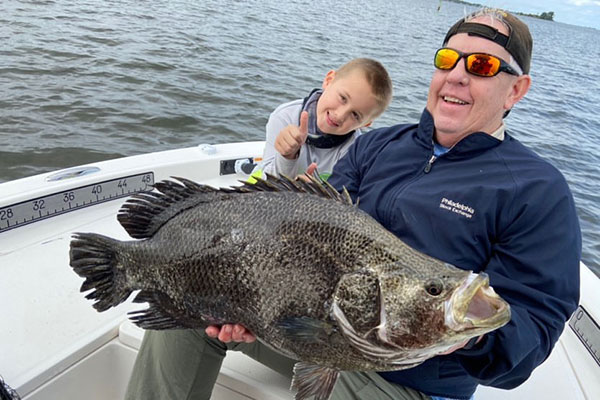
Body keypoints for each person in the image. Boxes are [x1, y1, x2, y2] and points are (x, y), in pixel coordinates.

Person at [126, 8, 582, 400]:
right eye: (448, 59)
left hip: (408, 380)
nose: (457, 74)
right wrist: (252, 305)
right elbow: (305, 226)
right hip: (319, 337)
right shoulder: (376, 147)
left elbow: (533, 326)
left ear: (516, 90)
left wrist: (453, 334)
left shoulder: (538, 191)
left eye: (481, 65)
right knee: (186, 312)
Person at [253, 57, 392, 181]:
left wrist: (314, 194)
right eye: (343, 98)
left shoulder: (354, 150)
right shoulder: (285, 116)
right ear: (329, 80)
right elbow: (266, 183)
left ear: (365, 124)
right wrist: (287, 157)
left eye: (355, 115)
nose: (340, 115)